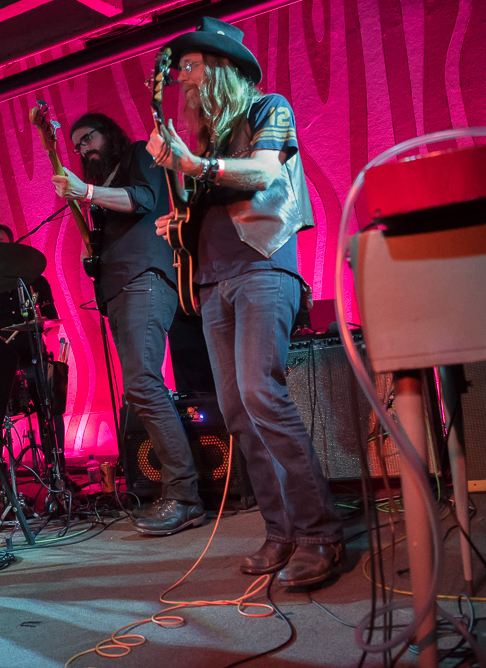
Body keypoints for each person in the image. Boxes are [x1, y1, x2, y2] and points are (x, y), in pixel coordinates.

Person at [146, 17, 344, 586]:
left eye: (190, 67)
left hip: (262, 267)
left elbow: (261, 172)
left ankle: (321, 532)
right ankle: (281, 531)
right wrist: (177, 219)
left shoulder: (268, 109)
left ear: (222, 67)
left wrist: (194, 165)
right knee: (235, 411)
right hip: (212, 281)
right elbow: (197, 205)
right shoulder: (205, 139)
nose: (182, 79)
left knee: (262, 394)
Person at [51, 113, 205, 535]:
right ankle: (179, 491)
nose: (84, 148)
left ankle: (185, 496)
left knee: (143, 385)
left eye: (89, 137)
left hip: (144, 279)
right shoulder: (104, 187)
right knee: (138, 388)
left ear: (109, 133)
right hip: (119, 289)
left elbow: (143, 198)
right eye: (77, 145)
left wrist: (85, 192)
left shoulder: (138, 153)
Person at [0, 223, 65, 475]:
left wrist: (38, 323)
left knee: (50, 396)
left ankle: (57, 469)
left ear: (12, 245)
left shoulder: (35, 281)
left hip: (32, 357)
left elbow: (52, 322)